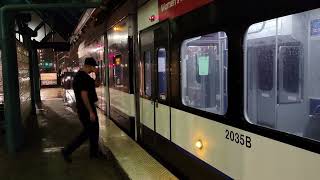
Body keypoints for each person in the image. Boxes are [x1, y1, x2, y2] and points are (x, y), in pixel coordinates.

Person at [61, 57, 101, 163]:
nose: (94, 69)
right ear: (89, 66)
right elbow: (84, 96)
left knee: (94, 130)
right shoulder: (82, 78)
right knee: (87, 132)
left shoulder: (85, 77)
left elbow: (97, 84)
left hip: (86, 108)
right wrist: (91, 112)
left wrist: (97, 74)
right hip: (85, 109)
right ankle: (67, 151)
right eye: (94, 67)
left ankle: (94, 153)